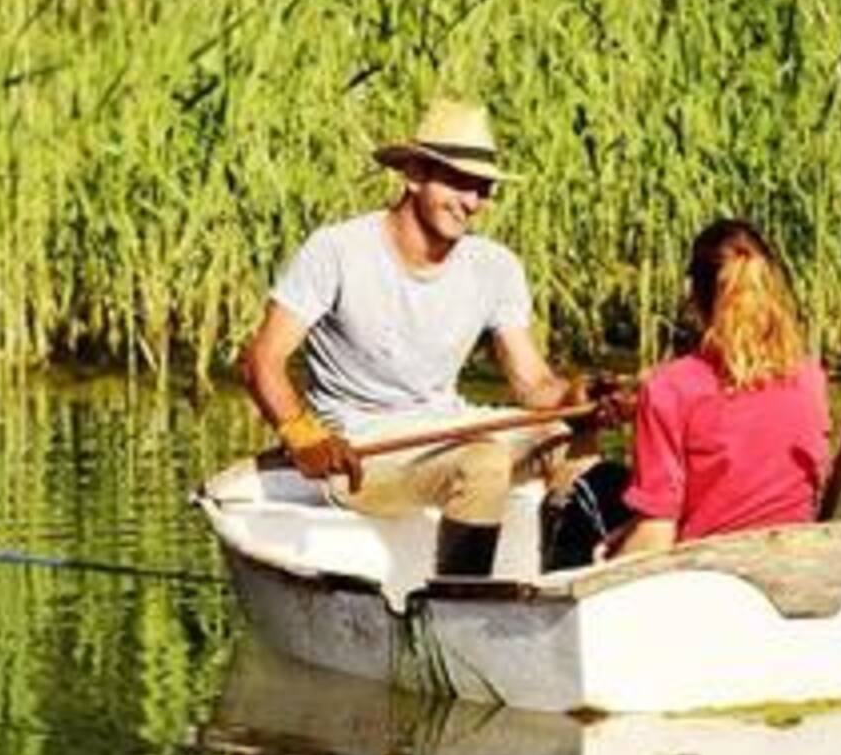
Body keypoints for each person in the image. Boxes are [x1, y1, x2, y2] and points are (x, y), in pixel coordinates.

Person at [241, 97, 609, 577]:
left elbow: (534, 386)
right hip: (362, 453)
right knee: (483, 462)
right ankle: (458, 602)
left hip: (446, 426)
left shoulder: (495, 266)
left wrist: (583, 395)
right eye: (457, 181)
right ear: (413, 174)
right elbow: (260, 360)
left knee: (568, 435)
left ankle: (567, 585)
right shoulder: (337, 250)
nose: (472, 202)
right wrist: (302, 433)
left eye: (483, 187)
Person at [607, 218, 830, 560]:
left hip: (711, 576)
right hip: (792, 562)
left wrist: (606, 566)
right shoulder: (810, 378)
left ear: (694, 295)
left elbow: (656, 533)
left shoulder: (668, 388)